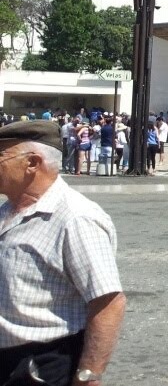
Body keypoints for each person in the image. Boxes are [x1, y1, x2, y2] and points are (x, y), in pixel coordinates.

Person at [0, 119, 128, 386]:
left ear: (32, 163)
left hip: (40, 367)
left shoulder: (76, 218)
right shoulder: (8, 209)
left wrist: (88, 376)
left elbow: (108, 303)